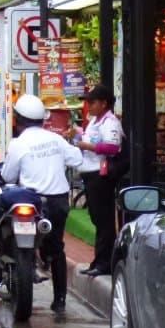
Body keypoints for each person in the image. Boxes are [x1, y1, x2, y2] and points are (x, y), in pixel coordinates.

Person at [2, 93, 82, 313]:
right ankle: (60, 301)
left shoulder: (19, 143)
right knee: (56, 248)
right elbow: (77, 159)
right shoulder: (56, 139)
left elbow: (8, 176)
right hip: (57, 202)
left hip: (32, 200)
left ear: (18, 120)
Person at [70, 85, 122, 278]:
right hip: (89, 174)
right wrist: (77, 136)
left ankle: (105, 262)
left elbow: (112, 148)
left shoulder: (110, 122)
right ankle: (100, 260)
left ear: (104, 103)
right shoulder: (94, 121)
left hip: (100, 176)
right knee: (97, 219)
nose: (88, 105)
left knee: (104, 221)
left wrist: (86, 145)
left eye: (92, 102)